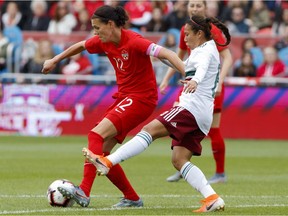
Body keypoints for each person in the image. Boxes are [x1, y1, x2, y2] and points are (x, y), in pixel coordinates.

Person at [83, 14, 231, 213]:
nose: (184, 38)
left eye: (187, 34)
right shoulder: (204, 49)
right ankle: (212, 197)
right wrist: (163, 60)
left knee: (149, 129)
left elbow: (202, 68)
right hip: (202, 114)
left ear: (200, 33)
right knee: (179, 160)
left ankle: (108, 161)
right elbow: (187, 68)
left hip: (190, 109)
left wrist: (195, 81)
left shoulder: (205, 52)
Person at [41, 5, 184, 208]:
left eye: (97, 27)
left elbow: (166, 53)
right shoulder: (103, 41)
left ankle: (84, 191)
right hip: (125, 98)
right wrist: (55, 60)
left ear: (110, 24)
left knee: (95, 135)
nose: (95, 32)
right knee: (103, 154)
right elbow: (81, 45)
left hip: (141, 98)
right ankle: (132, 198)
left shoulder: (134, 41)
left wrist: (187, 72)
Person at [160, 0, 233, 183]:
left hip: (208, 87)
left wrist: (220, 83)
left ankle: (220, 173)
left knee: (213, 130)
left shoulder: (211, 30)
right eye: (191, 5)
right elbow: (178, 57)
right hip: (191, 85)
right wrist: (166, 80)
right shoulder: (188, 30)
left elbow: (227, 57)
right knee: (180, 124)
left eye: (198, 6)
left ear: (205, 8)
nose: (194, 8)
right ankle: (181, 164)